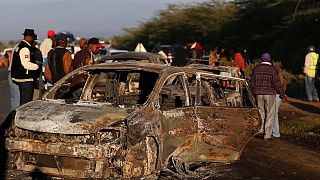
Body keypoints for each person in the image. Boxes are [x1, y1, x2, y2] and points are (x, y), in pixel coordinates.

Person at [250, 53, 286, 140]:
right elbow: (277, 83)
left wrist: (252, 93)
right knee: (270, 114)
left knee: (261, 112)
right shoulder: (272, 69)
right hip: (269, 94)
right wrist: (282, 93)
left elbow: (252, 83)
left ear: (262, 59)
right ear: (269, 60)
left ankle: (260, 130)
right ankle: (267, 135)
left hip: (258, 93)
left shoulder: (256, 68)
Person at [11, 29, 41, 105]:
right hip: (25, 79)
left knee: (23, 101)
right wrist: (37, 66)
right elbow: (26, 64)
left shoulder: (20, 46)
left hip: (22, 78)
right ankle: (21, 117)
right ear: (29, 37)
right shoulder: (25, 48)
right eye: (33, 37)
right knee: (26, 103)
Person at [272, 62, 287, 138]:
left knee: (274, 114)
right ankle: (275, 132)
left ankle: (276, 132)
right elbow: (284, 86)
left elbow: (279, 86)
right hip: (279, 96)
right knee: (274, 114)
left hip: (276, 96)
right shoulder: (282, 76)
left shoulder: (277, 76)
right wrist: (283, 95)